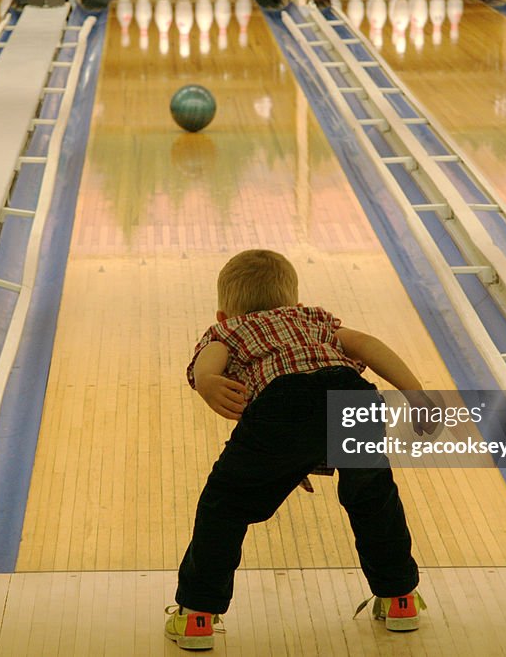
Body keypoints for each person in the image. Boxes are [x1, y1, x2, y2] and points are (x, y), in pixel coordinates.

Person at [165, 249, 435, 650]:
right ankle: (399, 599)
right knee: (372, 497)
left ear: (224, 315)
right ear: (293, 301)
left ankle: (197, 616)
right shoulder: (312, 319)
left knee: (226, 505)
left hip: (282, 407)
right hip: (353, 395)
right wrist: (417, 394)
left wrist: (206, 381)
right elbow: (366, 344)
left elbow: (213, 359)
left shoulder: (228, 330)